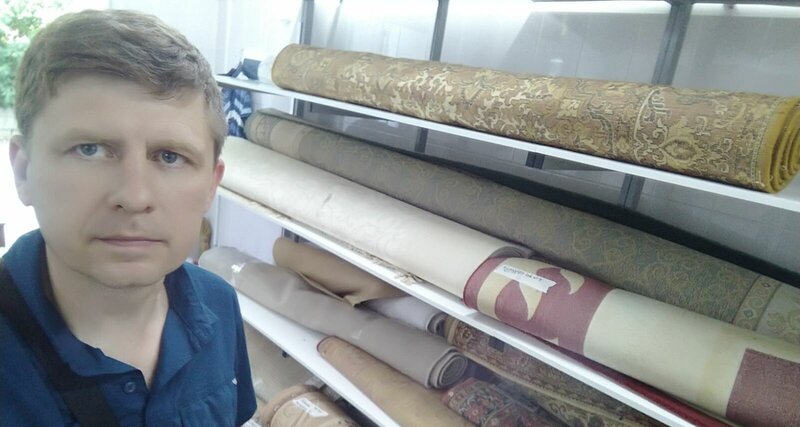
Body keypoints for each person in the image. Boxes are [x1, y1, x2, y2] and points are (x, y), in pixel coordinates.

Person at [0, 9, 256, 426]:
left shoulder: (218, 303)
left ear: (211, 185)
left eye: (169, 156)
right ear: (24, 172)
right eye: (91, 150)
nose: (135, 198)